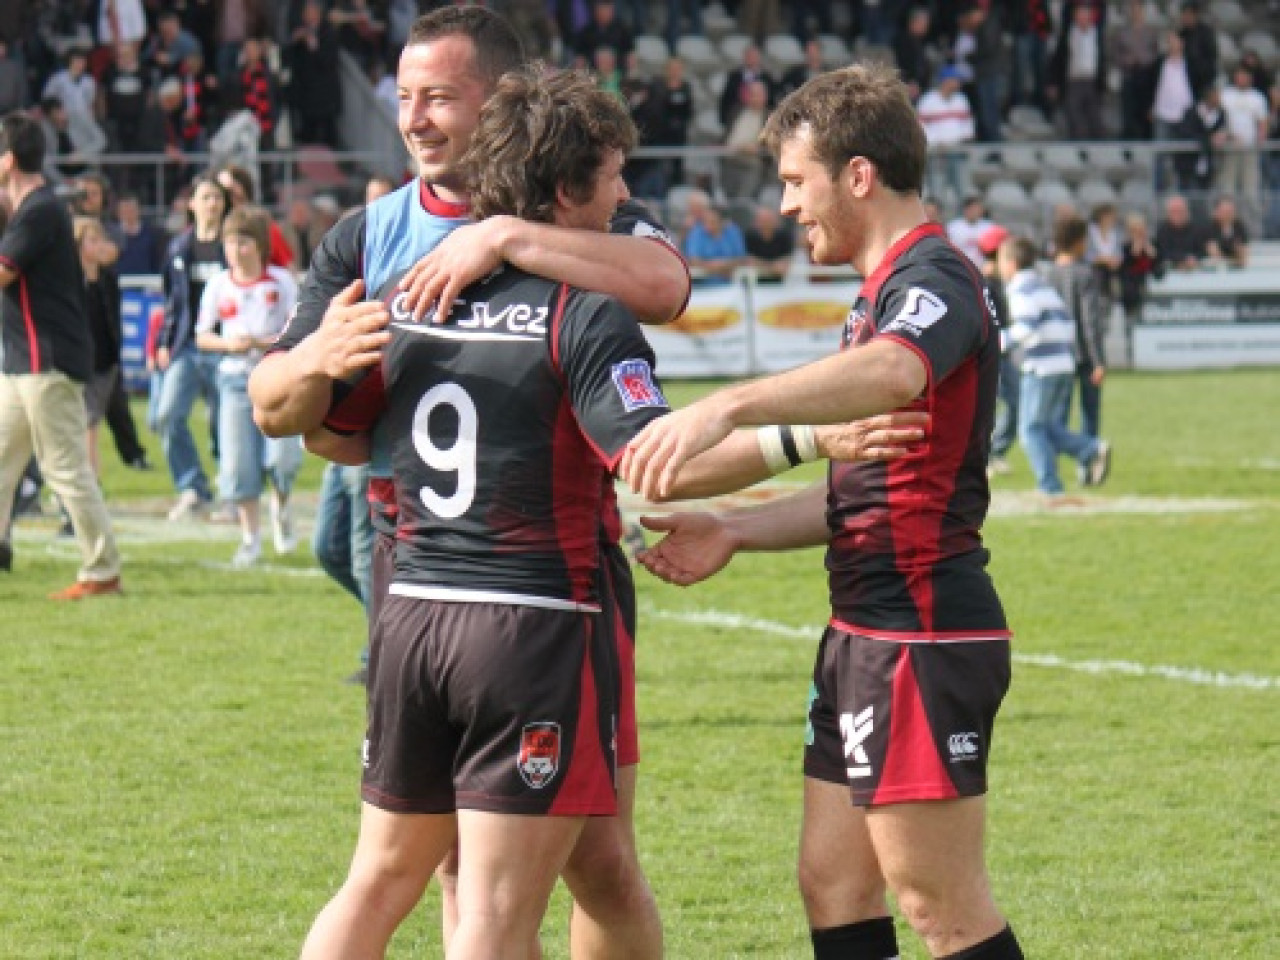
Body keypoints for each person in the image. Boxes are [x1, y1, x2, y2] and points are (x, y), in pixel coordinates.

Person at [249, 9, 685, 959]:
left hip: (556, 576)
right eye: (404, 98)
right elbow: (290, 412)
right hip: (445, 581)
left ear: (502, 104)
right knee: (464, 876)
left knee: (599, 856)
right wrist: (314, 356)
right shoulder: (370, 236)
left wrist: (506, 241)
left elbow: (664, 281)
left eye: (439, 97)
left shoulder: (577, 204)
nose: (414, 119)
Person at [621, 64, 1026, 960]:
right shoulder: (878, 295)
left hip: (920, 630)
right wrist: (735, 528)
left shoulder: (936, 278)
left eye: (797, 182)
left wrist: (733, 402)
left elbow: (895, 371)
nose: (787, 204)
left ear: (858, 176)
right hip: (863, 631)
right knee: (835, 882)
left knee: (938, 906)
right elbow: (858, 494)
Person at [0, 111, 123, 597]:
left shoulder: (40, 211)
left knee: (65, 469)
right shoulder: (30, 208)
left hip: (45, 359)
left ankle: (102, 571)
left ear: (9, 160)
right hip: (22, 361)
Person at [194, 205, 300, 567]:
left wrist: (263, 342)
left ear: (259, 245)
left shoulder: (282, 282)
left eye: (243, 243)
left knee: (283, 460)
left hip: (278, 378)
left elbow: (298, 328)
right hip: (234, 380)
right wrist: (228, 345)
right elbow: (202, 336)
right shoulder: (217, 285)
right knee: (239, 464)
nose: (236, 251)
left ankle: (282, 507)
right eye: (230, 243)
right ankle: (250, 538)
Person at [1000, 234, 1111, 500]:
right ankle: (1088, 450)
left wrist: (996, 342)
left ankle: (1050, 486)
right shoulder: (1042, 285)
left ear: (1012, 263)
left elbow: (1027, 326)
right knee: (1047, 428)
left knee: (1030, 430)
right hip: (1063, 363)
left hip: (1042, 367)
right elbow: (1067, 324)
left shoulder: (1020, 288)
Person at [156, 174, 230, 521]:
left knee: (223, 424)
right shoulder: (177, 249)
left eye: (217, 198)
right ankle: (192, 487)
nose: (211, 204)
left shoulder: (233, 246)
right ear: (192, 204)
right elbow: (171, 302)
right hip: (186, 345)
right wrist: (162, 342)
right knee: (167, 415)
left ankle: (232, 491)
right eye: (205, 197)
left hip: (225, 346)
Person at [1045, 215, 1107, 443]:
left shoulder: (1047, 274)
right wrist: (1098, 360)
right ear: (1079, 241)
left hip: (1056, 352)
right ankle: (1089, 460)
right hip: (1083, 353)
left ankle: (1056, 459)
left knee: (1057, 414)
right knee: (1090, 412)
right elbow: (1090, 320)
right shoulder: (1085, 273)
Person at [74, 216, 124, 476]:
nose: (100, 246)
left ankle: (88, 483)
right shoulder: (69, 281)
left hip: (104, 364)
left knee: (89, 426)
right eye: (92, 240)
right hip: (76, 363)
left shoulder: (108, 279)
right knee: (83, 427)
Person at [976, 224, 1016, 477]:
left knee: (1009, 403)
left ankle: (994, 452)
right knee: (999, 404)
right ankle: (988, 454)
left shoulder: (997, 282)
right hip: (994, 353)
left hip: (1002, 352)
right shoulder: (987, 283)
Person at [1204, 194, 1250, 268]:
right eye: (1225, 212)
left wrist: (1238, 256)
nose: (1228, 215)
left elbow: (1243, 254)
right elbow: (1214, 253)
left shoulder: (1239, 227)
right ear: (1216, 212)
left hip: (1235, 267)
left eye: (1230, 211)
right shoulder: (1208, 228)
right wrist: (1234, 258)